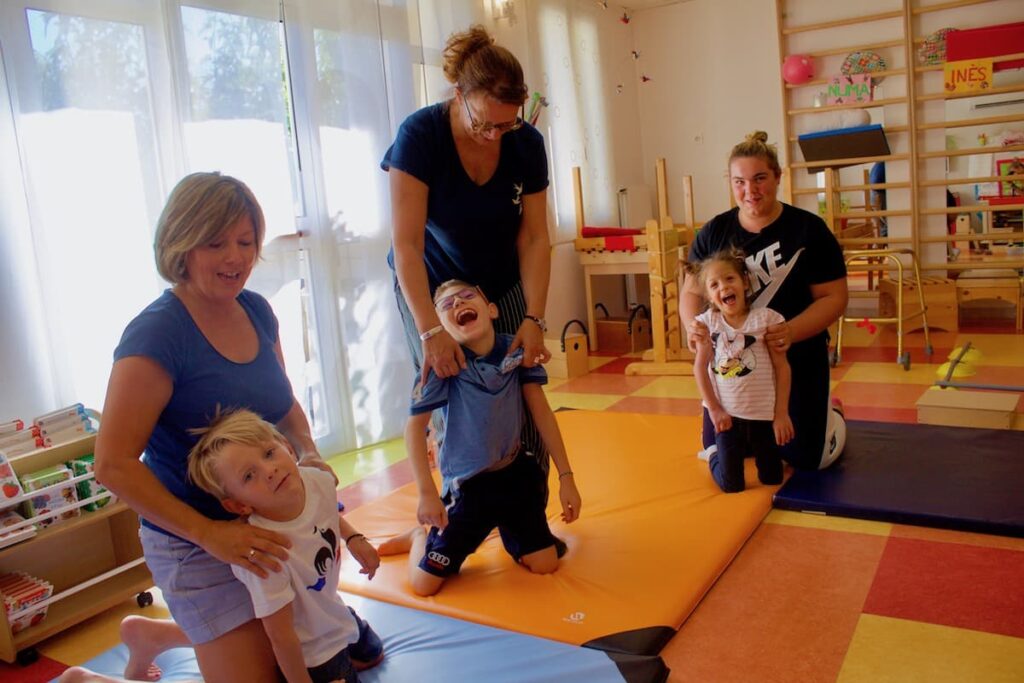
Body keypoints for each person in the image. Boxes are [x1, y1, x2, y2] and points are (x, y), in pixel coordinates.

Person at [89, 172, 337, 683]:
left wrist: (307, 452)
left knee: (326, 652)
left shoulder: (256, 310)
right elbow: (111, 465)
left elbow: (282, 400)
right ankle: (84, 678)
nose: (236, 257)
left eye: (246, 242)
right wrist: (209, 534)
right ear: (181, 246)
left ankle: (157, 636)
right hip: (191, 536)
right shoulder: (157, 335)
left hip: (262, 522)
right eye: (216, 242)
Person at [381, 25, 557, 517]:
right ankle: (455, 517)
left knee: (520, 384)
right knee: (454, 398)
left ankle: (527, 515)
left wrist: (535, 318)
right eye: (485, 123)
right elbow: (407, 243)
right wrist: (430, 329)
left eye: (507, 124)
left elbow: (536, 237)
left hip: (500, 277)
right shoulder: (421, 135)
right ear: (459, 95)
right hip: (435, 283)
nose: (495, 135)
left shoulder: (526, 143)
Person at [378, 280, 581, 597]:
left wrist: (567, 476)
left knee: (546, 563)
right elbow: (414, 429)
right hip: (470, 487)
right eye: (447, 306)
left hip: (515, 473)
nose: (458, 305)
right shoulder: (444, 366)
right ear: (441, 326)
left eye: (467, 297)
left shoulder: (513, 352)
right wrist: (427, 493)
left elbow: (542, 413)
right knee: (424, 585)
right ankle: (419, 536)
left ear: (491, 309)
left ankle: (514, 534)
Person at [682, 131, 848, 471]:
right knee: (724, 452)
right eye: (739, 182)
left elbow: (835, 297)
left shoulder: (809, 231)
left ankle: (832, 415)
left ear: (777, 177)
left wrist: (790, 332)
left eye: (759, 179)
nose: (750, 191)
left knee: (806, 459)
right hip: (735, 363)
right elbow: (690, 293)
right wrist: (693, 328)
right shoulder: (713, 232)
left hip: (795, 355)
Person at [187, 409, 382, 683]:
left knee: (374, 655)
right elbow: (281, 636)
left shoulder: (315, 480)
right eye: (248, 476)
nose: (269, 471)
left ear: (287, 447)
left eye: (268, 453)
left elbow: (325, 510)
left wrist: (353, 538)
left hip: (331, 610)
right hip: (311, 650)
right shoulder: (265, 552)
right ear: (239, 505)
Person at [688, 248, 793, 492]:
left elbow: (782, 367)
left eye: (729, 279)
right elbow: (700, 369)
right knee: (731, 485)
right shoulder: (707, 323)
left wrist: (781, 413)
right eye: (714, 285)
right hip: (727, 417)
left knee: (772, 478)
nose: (723, 287)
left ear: (744, 282)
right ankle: (713, 452)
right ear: (710, 296)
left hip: (762, 416)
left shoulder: (767, 319)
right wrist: (714, 410)